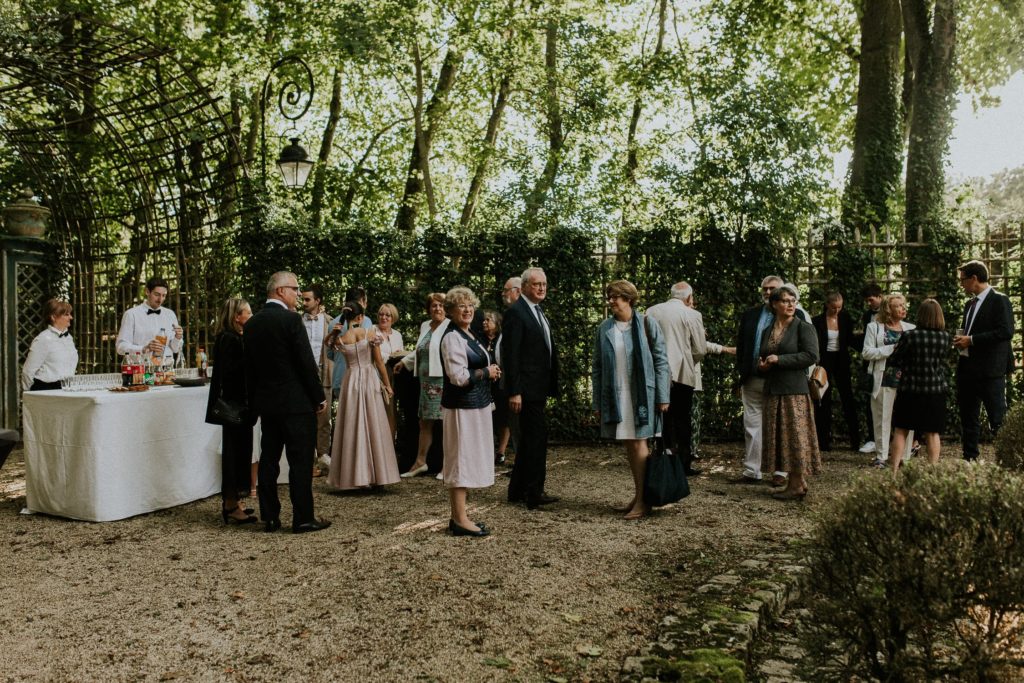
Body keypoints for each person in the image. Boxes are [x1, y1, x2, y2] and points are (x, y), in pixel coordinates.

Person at [243, 271, 331, 534]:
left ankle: (270, 518)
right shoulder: (291, 320)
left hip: (268, 405)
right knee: (300, 461)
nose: (297, 294)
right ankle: (303, 518)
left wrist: (254, 402)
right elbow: (305, 363)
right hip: (296, 404)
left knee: (269, 460)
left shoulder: (252, 323)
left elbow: (250, 369)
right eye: (294, 289)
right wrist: (319, 397)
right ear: (281, 290)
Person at [592, 280, 671, 520]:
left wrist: (663, 396)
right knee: (630, 445)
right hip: (616, 396)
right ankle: (639, 495)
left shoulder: (647, 324)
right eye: (610, 296)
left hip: (642, 396)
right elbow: (597, 367)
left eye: (616, 297)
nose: (611, 301)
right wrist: (597, 402)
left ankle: (644, 501)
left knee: (639, 445)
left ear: (628, 299)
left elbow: (661, 361)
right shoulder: (605, 328)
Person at [440, 287, 500, 536]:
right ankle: (459, 520)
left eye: (470, 305)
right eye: (461, 306)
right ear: (451, 311)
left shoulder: (469, 335)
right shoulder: (452, 337)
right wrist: (488, 372)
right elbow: (458, 377)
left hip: (477, 405)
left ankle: (460, 517)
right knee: (460, 461)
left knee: (468, 458)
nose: (467, 310)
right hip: (461, 409)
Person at [326, 301, 400, 491]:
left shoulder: (342, 338)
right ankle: (378, 475)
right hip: (368, 379)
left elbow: (328, 345)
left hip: (351, 381)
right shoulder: (369, 334)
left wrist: (334, 331)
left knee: (353, 425)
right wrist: (387, 384)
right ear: (361, 317)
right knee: (374, 424)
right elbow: (379, 363)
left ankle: (355, 476)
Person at [504, 267, 560, 509]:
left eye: (544, 284)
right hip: (526, 389)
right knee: (536, 439)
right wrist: (515, 391)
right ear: (524, 286)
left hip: (538, 386)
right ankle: (534, 492)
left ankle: (516, 490)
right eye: (537, 284)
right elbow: (511, 355)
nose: (541, 288)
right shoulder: (517, 312)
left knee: (529, 439)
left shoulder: (537, 310)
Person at [758, 285, 821, 500]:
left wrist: (781, 359)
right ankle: (798, 482)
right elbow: (764, 355)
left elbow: (812, 356)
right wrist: (763, 365)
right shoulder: (768, 330)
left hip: (794, 391)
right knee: (781, 438)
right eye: (785, 301)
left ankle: (795, 485)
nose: (791, 304)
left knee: (795, 437)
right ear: (774, 304)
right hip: (773, 389)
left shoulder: (802, 327)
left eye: (793, 300)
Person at [953, 260, 1015, 461]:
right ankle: (969, 459)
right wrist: (961, 340)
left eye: (963, 281)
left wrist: (971, 340)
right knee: (968, 419)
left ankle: (1008, 460)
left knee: (998, 419)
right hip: (968, 370)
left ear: (974, 279)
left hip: (991, 371)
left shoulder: (999, 300)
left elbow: (1005, 331)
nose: (961, 285)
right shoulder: (969, 304)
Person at [204, 298, 257, 525]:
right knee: (235, 453)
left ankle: (234, 500)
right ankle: (230, 504)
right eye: (248, 312)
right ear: (237, 317)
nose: (251, 316)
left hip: (239, 405)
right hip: (235, 406)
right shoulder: (230, 339)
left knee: (239, 451)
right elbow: (233, 374)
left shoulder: (235, 338)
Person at [645, 282, 706, 476]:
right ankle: (683, 463)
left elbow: (646, 342)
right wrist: (688, 360)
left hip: (656, 373)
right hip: (682, 374)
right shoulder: (693, 315)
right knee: (682, 419)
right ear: (688, 298)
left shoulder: (651, 311)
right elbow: (700, 349)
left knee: (661, 419)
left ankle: (663, 458)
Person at [731, 275, 786, 484]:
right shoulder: (750, 315)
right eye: (765, 288)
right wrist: (742, 370)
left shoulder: (792, 314)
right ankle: (752, 470)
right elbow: (742, 346)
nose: (768, 292)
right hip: (752, 377)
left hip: (779, 378)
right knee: (752, 425)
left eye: (772, 288)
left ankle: (781, 472)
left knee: (779, 425)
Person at [889, 299, 954, 471]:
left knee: (901, 430)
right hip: (935, 390)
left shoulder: (910, 335)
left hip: (910, 390)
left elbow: (894, 360)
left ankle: (893, 471)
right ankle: (931, 473)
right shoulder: (946, 337)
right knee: (932, 433)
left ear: (921, 315)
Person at [398, 293, 450, 477]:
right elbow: (421, 349)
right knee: (424, 422)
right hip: (425, 381)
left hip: (442, 380)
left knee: (445, 423)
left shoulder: (450, 326)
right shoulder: (425, 325)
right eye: (434, 305)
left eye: (441, 305)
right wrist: (404, 361)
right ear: (429, 308)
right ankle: (420, 462)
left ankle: (448, 466)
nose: (438, 309)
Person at [861, 293, 916, 468]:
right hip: (883, 378)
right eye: (898, 305)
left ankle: (904, 457)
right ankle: (881, 456)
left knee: (907, 419)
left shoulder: (911, 328)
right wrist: (891, 348)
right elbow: (867, 352)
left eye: (904, 305)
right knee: (881, 418)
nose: (903, 308)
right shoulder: (874, 327)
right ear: (888, 309)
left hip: (907, 381)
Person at [811, 292, 860, 451]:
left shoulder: (845, 318)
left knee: (848, 398)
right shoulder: (817, 321)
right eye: (834, 307)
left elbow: (851, 339)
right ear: (827, 304)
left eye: (840, 307)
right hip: (824, 361)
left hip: (841, 361)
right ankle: (823, 442)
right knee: (823, 400)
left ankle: (855, 441)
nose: (837, 310)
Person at [300, 284, 334, 475]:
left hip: (324, 372)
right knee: (305, 417)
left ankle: (323, 456)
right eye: (303, 299)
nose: (303, 303)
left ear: (318, 300)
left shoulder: (329, 322)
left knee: (324, 418)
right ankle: (307, 459)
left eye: (307, 299)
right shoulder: (297, 321)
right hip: (304, 374)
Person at [115, 276, 183, 364]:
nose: (160, 300)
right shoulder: (131, 315)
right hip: (140, 371)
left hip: (166, 372)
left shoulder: (170, 315)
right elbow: (120, 347)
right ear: (147, 292)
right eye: (157, 294)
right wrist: (144, 348)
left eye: (164, 295)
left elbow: (175, 349)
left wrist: (177, 338)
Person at [22, 299, 78, 391]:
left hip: (65, 389)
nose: (71, 317)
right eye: (66, 315)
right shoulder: (43, 339)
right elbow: (27, 371)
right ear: (53, 317)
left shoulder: (68, 338)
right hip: (45, 390)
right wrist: (31, 394)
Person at [854, 283, 884, 454]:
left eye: (871, 300)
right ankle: (872, 438)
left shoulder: (890, 311)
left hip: (886, 362)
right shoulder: (867, 316)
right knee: (869, 401)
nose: (868, 303)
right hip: (869, 363)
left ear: (879, 296)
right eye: (866, 301)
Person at [481, 310, 511, 466]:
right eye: (484, 320)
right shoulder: (479, 339)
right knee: (487, 419)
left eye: (488, 320)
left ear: (497, 323)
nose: (485, 322)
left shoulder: (503, 339)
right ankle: (487, 452)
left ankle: (501, 452)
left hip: (501, 385)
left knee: (503, 418)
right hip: (484, 385)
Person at [370, 302, 404, 438]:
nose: (384, 317)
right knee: (378, 410)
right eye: (381, 314)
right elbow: (372, 355)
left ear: (393, 318)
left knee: (391, 410)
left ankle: (390, 444)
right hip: (376, 374)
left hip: (394, 374)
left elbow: (400, 352)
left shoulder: (397, 334)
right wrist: (387, 356)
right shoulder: (372, 330)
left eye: (387, 315)